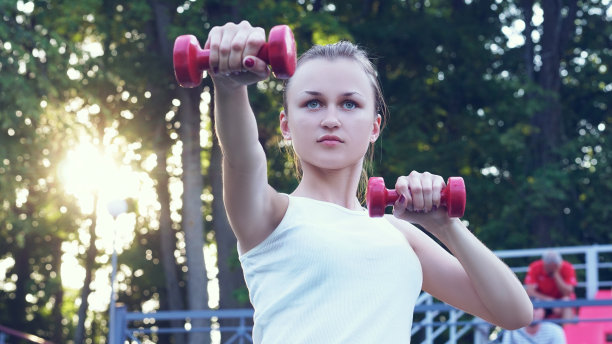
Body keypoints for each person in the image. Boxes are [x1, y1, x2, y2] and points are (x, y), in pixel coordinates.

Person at [205, 20, 533, 343]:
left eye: (349, 104)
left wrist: (446, 227)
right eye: (312, 103)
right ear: (286, 125)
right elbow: (241, 155)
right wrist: (230, 88)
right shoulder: (270, 217)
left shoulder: (400, 234)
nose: (330, 120)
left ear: (374, 126)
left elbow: (514, 314)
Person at [525, 250, 577, 320]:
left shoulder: (567, 267)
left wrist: (556, 274)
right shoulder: (535, 267)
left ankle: (567, 329)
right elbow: (530, 291)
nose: (556, 267)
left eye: (557, 265)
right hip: (541, 300)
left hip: (561, 301)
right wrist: (549, 300)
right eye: (553, 266)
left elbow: (568, 292)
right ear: (546, 264)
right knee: (533, 306)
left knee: (566, 301)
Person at [501, 301, 567, 344]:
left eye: (536, 308)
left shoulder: (555, 330)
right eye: (528, 309)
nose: (532, 312)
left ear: (544, 311)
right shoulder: (512, 331)